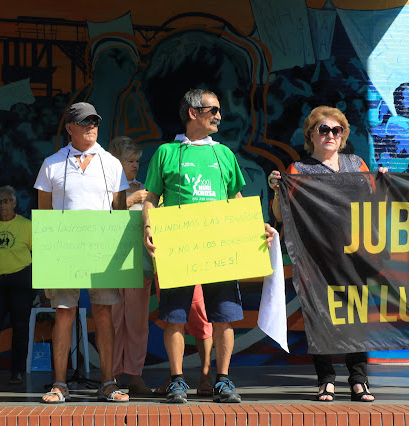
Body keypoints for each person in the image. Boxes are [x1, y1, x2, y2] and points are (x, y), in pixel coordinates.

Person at [143, 89, 274, 404]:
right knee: (174, 316)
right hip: (178, 247)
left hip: (220, 248)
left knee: (224, 316)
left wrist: (258, 227)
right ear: (192, 112)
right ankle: (177, 381)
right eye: (212, 109)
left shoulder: (224, 154)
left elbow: (235, 200)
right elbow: (150, 197)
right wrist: (148, 226)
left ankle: (224, 381)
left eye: (219, 110)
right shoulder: (166, 152)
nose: (218, 115)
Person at [269, 106, 380, 402]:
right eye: (323, 130)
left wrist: (383, 181)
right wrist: (278, 190)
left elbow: (374, 201)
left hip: (355, 255)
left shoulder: (356, 164)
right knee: (321, 316)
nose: (330, 135)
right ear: (311, 135)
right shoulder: (299, 170)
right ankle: (326, 380)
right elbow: (280, 215)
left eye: (336, 130)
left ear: (342, 136)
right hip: (315, 257)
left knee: (356, 316)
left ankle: (359, 380)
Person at [34, 102, 130, 403]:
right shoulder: (51, 163)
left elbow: (121, 210)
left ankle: (108, 383)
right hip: (64, 250)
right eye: (84, 121)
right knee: (63, 313)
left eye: (95, 121)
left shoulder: (111, 163)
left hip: (102, 250)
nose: (91, 125)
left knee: (104, 313)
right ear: (70, 128)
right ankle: (59, 384)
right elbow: (44, 212)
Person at [107, 136, 153, 395]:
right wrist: (128, 199)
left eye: (137, 161)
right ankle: (110, 376)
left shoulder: (146, 189)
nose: (135, 165)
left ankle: (135, 375)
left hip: (139, 265)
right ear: (115, 161)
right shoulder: (103, 187)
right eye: (130, 161)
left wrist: (142, 199)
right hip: (111, 265)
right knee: (111, 322)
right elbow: (98, 217)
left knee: (137, 323)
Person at [0, 185, 35, 386]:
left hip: (21, 280)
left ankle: (18, 371)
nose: (3, 205)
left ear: (14, 203)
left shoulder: (26, 225)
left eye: (7, 201)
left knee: (20, 327)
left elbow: (39, 254)